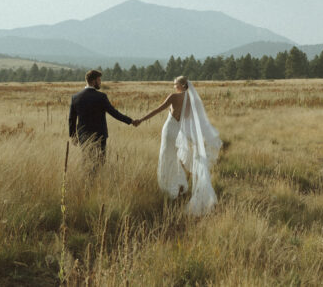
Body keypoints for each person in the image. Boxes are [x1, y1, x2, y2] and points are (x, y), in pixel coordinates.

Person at [134, 75, 221, 215]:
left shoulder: (174, 97)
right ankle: (178, 186)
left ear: (181, 85)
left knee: (167, 157)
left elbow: (158, 109)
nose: (174, 86)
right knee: (174, 158)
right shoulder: (192, 101)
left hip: (169, 131)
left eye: (175, 84)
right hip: (179, 133)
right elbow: (191, 121)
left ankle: (171, 189)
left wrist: (141, 119)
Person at [68, 69, 137, 160]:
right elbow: (114, 113)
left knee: (86, 160)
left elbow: (71, 119)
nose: (100, 82)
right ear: (93, 81)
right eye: (99, 80)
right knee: (100, 162)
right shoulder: (101, 97)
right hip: (99, 136)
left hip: (83, 135)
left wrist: (73, 136)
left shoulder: (75, 97)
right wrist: (131, 121)